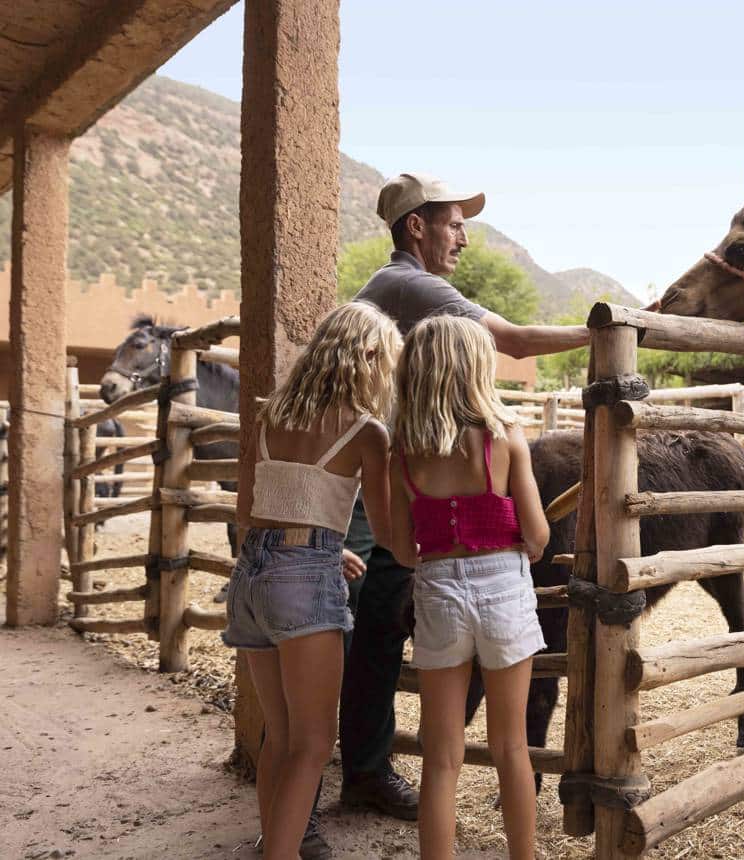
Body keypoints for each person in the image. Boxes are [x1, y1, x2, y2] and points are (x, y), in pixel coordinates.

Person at [338, 173, 589, 821]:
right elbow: (516, 341)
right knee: (381, 612)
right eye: (453, 224)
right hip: (385, 481)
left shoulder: (390, 289)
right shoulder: (411, 284)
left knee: (377, 618)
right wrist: (604, 334)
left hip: (378, 471)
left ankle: (363, 766)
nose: (463, 239)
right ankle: (362, 770)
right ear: (415, 226)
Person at [222, 302, 401, 860]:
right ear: (368, 355)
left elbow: (252, 509)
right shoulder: (366, 430)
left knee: (280, 735)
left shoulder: (271, 414)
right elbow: (390, 531)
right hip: (303, 583)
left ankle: (271, 841)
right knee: (316, 743)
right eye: (387, 362)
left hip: (251, 576)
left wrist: (327, 543)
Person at [389, 315, 549, 859]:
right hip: (502, 585)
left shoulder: (404, 450)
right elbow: (537, 533)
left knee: (441, 755)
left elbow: (399, 546)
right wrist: (524, 544)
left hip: (436, 591)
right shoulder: (504, 437)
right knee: (511, 747)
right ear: (474, 368)